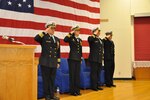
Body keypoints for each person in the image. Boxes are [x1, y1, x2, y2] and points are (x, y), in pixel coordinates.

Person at [34, 21, 60, 100]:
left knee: (52, 79)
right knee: (46, 80)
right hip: (45, 62)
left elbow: (58, 51)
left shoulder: (57, 39)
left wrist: (58, 62)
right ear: (48, 28)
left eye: (54, 28)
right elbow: (36, 38)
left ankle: (52, 95)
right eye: (51, 28)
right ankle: (47, 96)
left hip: (53, 62)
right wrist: (44, 32)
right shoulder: (44, 37)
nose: (53, 30)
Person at [64, 25, 82, 96]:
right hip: (72, 59)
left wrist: (80, 58)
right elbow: (65, 39)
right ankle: (72, 91)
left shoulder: (80, 40)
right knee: (72, 75)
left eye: (79, 30)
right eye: (77, 30)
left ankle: (77, 90)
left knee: (77, 75)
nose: (78, 32)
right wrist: (71, 33)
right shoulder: (71, 38)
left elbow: (80, 50)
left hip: (78, 59)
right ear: (74, 31)